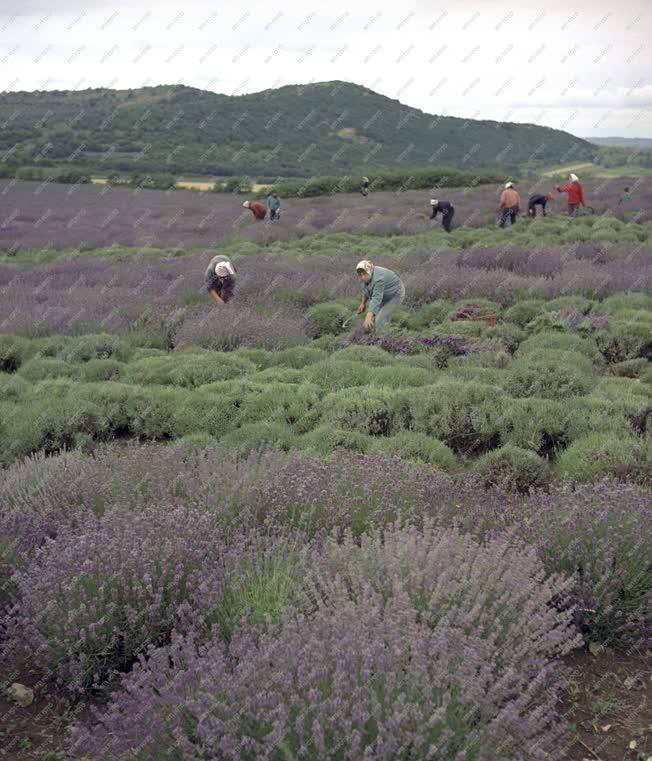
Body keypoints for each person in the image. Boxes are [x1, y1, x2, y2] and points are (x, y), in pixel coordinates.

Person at [355, 259, 405, 333]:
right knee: (374, 316)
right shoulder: (364, 278)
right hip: (384, 294)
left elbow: (376, 298)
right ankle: (375, 334)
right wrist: (363, 303)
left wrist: (368, 316)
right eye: (360, 275)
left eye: (365, 274)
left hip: (396, 294)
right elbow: (365, 290)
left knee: (380, 320)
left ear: (370, 271)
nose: (363, 277)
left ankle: (382, 339)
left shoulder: (378, 279)